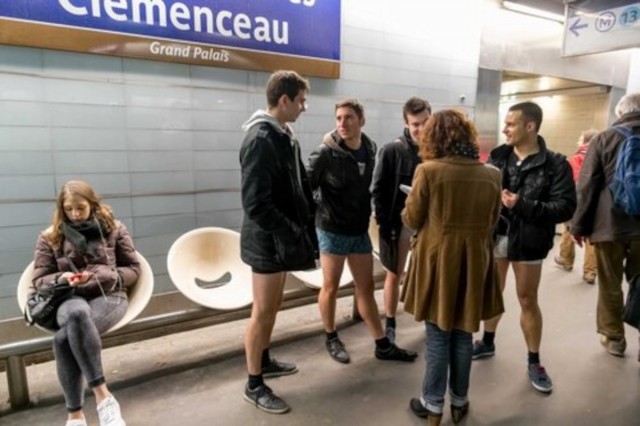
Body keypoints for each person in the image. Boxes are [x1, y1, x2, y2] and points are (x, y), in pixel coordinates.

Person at [402, 110, 504, 425]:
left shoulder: (427, 170)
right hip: (475, 263)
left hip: (438, 263)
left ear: (434, 138)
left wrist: (409, 204)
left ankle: (432, 407)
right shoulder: (492, 174)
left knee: (437, 336)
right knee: (463, 335)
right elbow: (492, 221)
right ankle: (459, 403)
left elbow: (412, 219)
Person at [472, 101, 576, 394]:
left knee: (527, 299)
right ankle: (487, 342)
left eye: (511, 123)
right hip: (496, 237)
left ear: (530, 126)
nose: (504, 128)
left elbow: (565, 207)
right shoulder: (498, 157)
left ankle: (534, 360)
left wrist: (523, 205)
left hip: (529, 241)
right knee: (493, 293)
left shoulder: (555, 164)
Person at [307, 98, 418, 365]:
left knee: (365, 287)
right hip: (332, 228)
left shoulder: (369, 148)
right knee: (331, 286)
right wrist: (319, 212)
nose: (342, 124)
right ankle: (331, 336)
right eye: (339, 118)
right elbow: (306, 188)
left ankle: (382, 344)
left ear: (361, 121)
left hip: (358, 229)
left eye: (349, 118)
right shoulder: (325, 152)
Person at [239, 70, 318, 414]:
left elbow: (295, 184)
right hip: (269, 243)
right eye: (300, 100)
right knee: (262, 312)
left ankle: (264, 359)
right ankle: (254, 384)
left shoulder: (283, 134)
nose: (304, 107)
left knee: (271, 309)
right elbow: (256, 204)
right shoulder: (260, 139)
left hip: (280, 240)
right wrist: (291, 230)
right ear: (283, 100)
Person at [32, 180, 140, 426]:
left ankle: (75, 416)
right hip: (67, 299)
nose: (75, 214)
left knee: (63, 339)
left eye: (80, 208)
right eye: (68, 209)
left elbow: (134, 269)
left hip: (109, 296)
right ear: (62, 208)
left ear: (93, 204)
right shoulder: (50, 237)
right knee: (77, 314)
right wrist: (63, 278)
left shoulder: (114, 229)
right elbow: (39, 279)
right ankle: (104, 398)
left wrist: (108, 276)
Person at [570, 93, 640, 358]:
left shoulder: (604, 139)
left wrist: (578, 226)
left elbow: (586, 186)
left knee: (610, 283)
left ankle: (614, 339)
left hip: (609, 225)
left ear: (621, 113)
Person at [372, 96, 431, 343]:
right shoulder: (392, 150)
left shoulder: (438, 151)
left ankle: (429, 319)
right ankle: (391, 322)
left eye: (424, 122)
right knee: (394, 274)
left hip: (430, 224)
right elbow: (377, 189)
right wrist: (385, 224)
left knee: (428, 273)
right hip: (400, 223)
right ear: (406, 123)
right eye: (414, 124)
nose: (420, 129)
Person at [554, 129, 599, 284]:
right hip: (597, 204)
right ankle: (590, 272)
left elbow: (574, 183)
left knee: (569, 229)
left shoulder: (577, 158)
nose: (578, 141)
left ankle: (566, 260)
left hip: (578, 202)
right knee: (591, 237)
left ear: (586, 141)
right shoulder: (603, 156)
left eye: (580, 138)